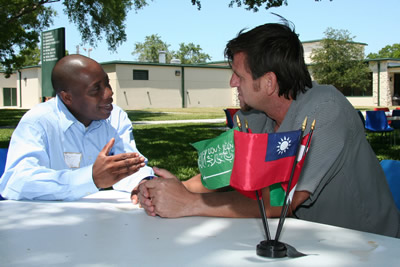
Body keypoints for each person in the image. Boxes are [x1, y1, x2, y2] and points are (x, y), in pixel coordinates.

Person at [135, 20, 400, 238]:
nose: (232, 82)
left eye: (238, 75)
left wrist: (189, 204)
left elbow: (283, 201)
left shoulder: (325, 111)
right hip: (303, 240)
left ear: (269, 83)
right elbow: (224, 172)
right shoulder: (255, 117)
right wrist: (169, 189)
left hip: (369, 247)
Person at [0, 54, 153, 201]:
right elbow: (16, 183)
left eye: (107, 83)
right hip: (49, 219)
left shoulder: (115, 117)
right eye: (96, 89)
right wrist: (91, 178)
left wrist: (143, 183)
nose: (109, 93)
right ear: (67, 97)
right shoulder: (37, 122)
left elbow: (129, 165)